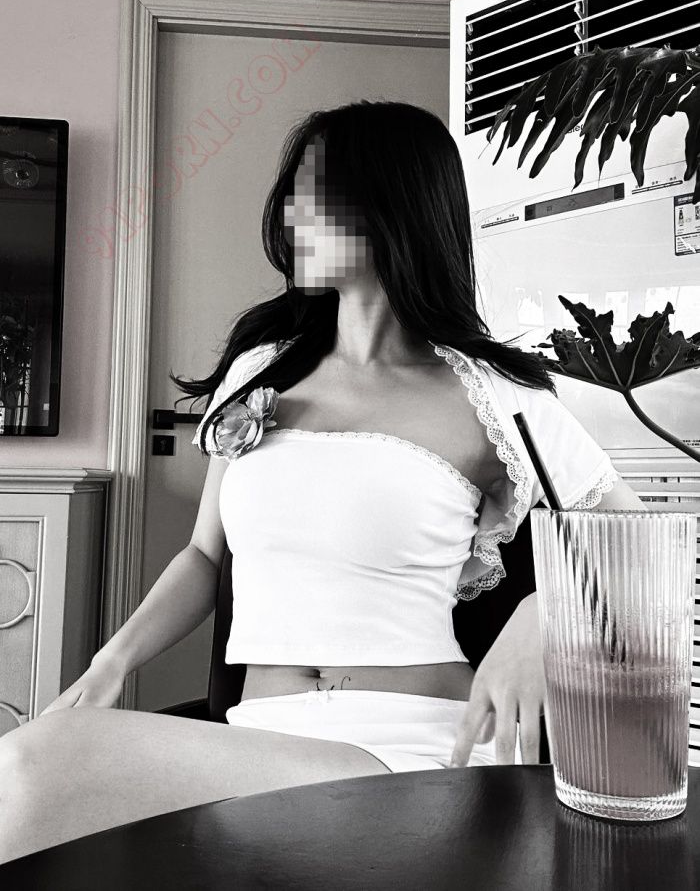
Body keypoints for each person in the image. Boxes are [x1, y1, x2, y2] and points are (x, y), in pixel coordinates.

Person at [0, 101, 646, 863]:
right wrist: (111, 664)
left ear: (391, 205)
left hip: (414, 752)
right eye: (292, 195)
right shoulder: (260, 371)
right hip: (262, 738)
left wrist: (545, 612)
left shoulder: (496, 395)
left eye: (314, 194)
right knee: (47, 784)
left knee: (33, 765)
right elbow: (204, 557)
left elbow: (640, 542)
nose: (289, 215)